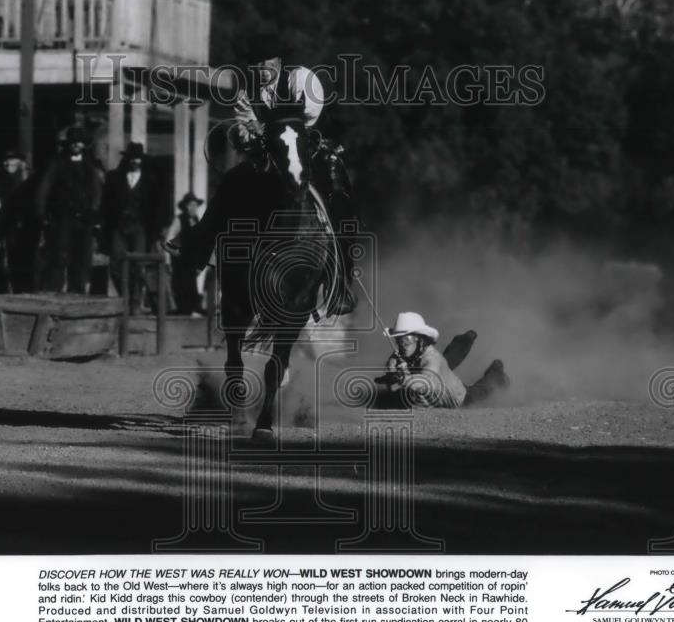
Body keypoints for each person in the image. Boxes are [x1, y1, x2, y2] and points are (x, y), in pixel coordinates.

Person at [178, 35, 359, 316]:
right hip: (266, 154)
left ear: (278, 61)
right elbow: (241, 125)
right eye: (257, 63)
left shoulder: (301, 79)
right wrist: (252, 136)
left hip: (302, 146)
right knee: (230, 183)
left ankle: (343, 282)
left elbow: (310, 114)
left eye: (267, 62)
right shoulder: (247, 89)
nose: (262, 68)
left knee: (337, 188)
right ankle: (199, 245)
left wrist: (268, 127)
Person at [378, 312, 510, 408]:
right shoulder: (401, 356)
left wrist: (401, 379)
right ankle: (463, 341)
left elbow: (426, 384)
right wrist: (391, 373)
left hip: (459, 397)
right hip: (438, 379)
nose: (402, 344)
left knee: (479, 391)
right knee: (444, 363)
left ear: (420, 339)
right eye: (398, 339)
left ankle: (496, 374)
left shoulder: (431, 359)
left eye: (407, 339)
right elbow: (395, 392)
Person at [36, 126, 102, 293]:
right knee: (59, 256)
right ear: (68, 144)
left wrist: (93, 212)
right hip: (62, 217)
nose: (76, 145)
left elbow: (96, 191)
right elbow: (45, 187)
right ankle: (54, 292)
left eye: (79, 142)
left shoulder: (90, 166)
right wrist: (42, 213)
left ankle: (77, 294)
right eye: (73, 142)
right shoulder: (57, 163)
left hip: (84, 219)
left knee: (80, 259)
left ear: (83, 145)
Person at [101, 142, 160, 313]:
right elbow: (106, 203)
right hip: (119, 225)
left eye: (138, 159)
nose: (135, 162)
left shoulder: (150, 180)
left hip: (140, 226)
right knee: (115, 265)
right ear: (126, 159)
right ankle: (123, 297)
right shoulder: (114, 177)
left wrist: (155, 230)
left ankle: (134, 302)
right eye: (132, 159)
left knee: (138, 264)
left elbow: (157, 207)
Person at [0, 151, 38, 293]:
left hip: (27, 226)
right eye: (6, 160)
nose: (8, 163)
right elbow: (1, 209)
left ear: (20, 163)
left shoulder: (28, 181)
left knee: (28, 263)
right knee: (11, 263)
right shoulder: (3, 182)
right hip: (10, 228)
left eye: (12, 160)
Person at [166, 192, 205, 315]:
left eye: (195, 205)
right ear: (185, 207)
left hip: (192, 260)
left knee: (192, 285)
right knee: (181, 285)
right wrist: (171, 256)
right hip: (180, 260)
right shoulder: (179, 219)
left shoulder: (196, 220)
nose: (193, 208)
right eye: (191, 205)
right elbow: (169, 238)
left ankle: (194, 307)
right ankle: (183, 310)